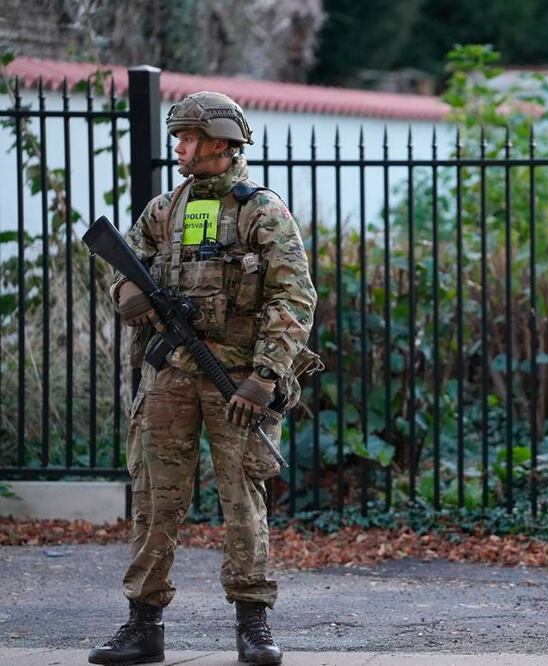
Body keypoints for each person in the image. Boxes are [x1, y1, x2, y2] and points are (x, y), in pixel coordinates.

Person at [89, 91, 319, 665]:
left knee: (242, 498)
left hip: (235, 380)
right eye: (179, 136)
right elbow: (121, 269)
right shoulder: (165, 210)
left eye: (188, 137)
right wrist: (129, 293)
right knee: (154, 499)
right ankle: (143, 625)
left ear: (220, 142)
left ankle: (253, 625)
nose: (179, 147)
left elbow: (293, 297)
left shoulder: (260, 211)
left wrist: (265, 377)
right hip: (169, 375)